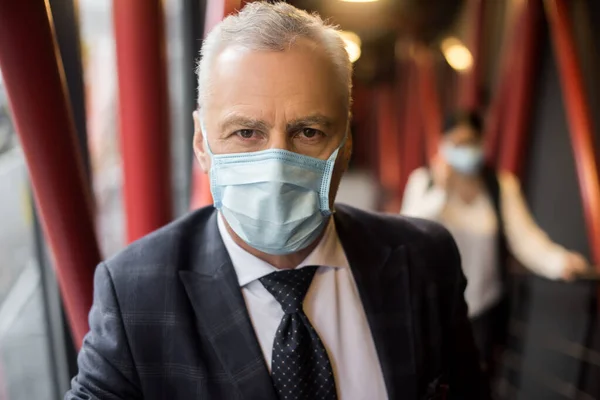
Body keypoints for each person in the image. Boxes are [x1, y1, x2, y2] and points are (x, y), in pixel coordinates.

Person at [66, 3, 487, 399]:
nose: (276, 165)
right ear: (201, 143)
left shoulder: (425, 261)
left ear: (347, 144)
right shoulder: (136, 293)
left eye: (308, 132)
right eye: (247, 133)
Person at [400, 110, 589, 378]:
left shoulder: (500, 186)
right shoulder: (423, 182)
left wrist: (560, 263)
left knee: (477, 383)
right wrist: (441, 191)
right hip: (433, 309)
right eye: (457, 143)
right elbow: (408, 230)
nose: (464, 149)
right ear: (443, 145)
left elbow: (525, 239)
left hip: (483, 309)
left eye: (471, 141)